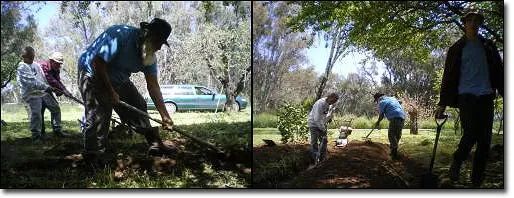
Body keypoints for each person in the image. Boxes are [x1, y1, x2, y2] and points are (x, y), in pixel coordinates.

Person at [77, 18, 176, 164]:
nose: (159, 48)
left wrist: (165, 115)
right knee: (101, 112)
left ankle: (154, 143)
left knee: (138, 104)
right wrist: (110, 92)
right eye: (158, 42)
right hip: (92, 72)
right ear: (147, 35)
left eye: (162, 43)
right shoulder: (120, 35)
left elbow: (153, 85)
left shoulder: (149, 57)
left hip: (118, 78)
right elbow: (98, 63)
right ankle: (93, 155)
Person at [435, 12, 503, 187]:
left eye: (477, 21)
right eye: (470, 20)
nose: (473, 23)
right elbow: (448, 77)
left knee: (485, 141)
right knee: (471, 133)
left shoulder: (488, 46)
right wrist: (442, 104)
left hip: (486, 95)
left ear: (480, 25)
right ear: (464, 24)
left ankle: (476, 181)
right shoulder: (457, 49)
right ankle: (458, 160)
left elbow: (499, 72)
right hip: (466, 96)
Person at [16, 47, 61, 142]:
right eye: (29, 57)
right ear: (23, 56)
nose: (31, 59)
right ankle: (36, 136)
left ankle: (57, 130)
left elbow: (43, 78)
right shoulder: (22, 67)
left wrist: (50, 88)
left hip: (42, 92)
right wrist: (48, 88)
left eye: (32, 57)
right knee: (36, 114)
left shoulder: (36, 65)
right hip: (31, 94)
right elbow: (32, 82)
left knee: (56, 108)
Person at [38, 52, 72, 137]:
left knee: (50, 109)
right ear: (51, 61)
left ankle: (54, 131)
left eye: (60, 64)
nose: (59, 66)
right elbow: (51, 80)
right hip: (38, 90)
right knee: (48, 109)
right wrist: (62, 90)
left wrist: (63, 90)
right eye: (58, 63)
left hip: (47, 90)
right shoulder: (42, 66)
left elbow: (57, 81)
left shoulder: (56, 68)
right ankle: (43, 133)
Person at [307, 93, 339, 165]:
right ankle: (314, 161)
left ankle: (322, 159)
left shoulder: (329, 104)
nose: (333, 103)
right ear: (330, 97)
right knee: (314, 142)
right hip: (314, 124)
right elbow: (316, 118)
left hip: (321, 124)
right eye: (333, 100)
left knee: (324, 141)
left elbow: (325, 115)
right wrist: (323, 129)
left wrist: (330, 117)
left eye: (335, 101)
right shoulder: (320, 104)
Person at [373, 93, 405, 160]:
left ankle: (394, 151)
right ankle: (394, 151)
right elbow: (400, 102)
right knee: (397, 135)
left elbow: (381, 115)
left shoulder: (381, 102)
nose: (377, 102)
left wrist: (378, 122)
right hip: (402, 117)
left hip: (394, 117)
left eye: (376, 100)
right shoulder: (392, 98)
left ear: (378, 98)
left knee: (391, 134)